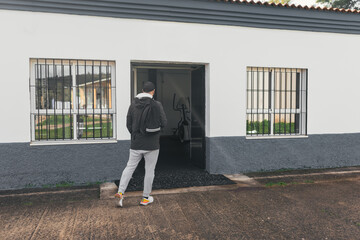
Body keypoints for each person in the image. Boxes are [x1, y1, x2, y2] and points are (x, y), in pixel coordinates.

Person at [115, 81, 167, 207]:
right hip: (152, 144)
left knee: (129, 167)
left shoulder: (133, 105)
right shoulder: (157, 105)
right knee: (149, 171)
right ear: (153, 91)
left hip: (136, 143)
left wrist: (135, 135)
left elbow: (128, 123)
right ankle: (145, 198)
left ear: (142, 90)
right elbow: (164, 123)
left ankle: (120, 192)